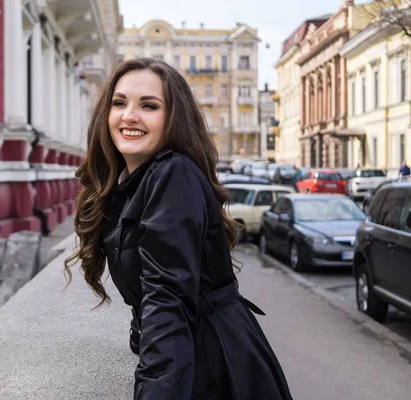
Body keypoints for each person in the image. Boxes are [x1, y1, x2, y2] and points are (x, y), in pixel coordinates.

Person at [64, 58, 292, 399]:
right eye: (119, 103)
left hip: (214, 367)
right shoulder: (130, 183)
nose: (129, 116)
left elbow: (166, 300)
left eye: (149, 106)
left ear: (173, 118)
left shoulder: (173, 175)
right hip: (198, 357)